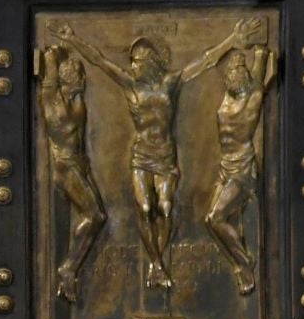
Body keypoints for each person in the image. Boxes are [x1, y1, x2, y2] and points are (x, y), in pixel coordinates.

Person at [54, 19, 258, 290]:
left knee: (165, 207)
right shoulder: (129, 85)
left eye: (138, 61)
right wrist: (73, 40)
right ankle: (156, 264)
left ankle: (157, 263)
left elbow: (206, 61)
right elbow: (99, 61)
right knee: (145, 207)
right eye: (132, 61)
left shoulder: (170, 83)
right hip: (141, 155)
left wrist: (233, 39)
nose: (133, 65)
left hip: (165, 156)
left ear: (151, 61)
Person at [202, 39, 276, 295]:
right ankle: (240, 259)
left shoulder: (252, 99)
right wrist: (237, 54)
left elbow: (259, 77)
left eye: (236, 76)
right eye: (229, 76)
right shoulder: (228, 98)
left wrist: (260, 54)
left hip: (242, 170)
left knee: (215, 218)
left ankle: (244, 263)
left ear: (246, 80)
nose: (230, 80)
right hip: (225, 166)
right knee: (211, 220)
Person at [36, 45, 107, 303]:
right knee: (95, 215)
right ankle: (68, 267)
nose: (83, 79)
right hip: (65, 166)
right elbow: (49, 82)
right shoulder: (53, 101)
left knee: (97, 215)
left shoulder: (77, 100)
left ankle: (70, 268)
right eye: (77, 75)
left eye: (81, 75)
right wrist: (51, 56)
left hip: (80, 164)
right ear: (66, 79)